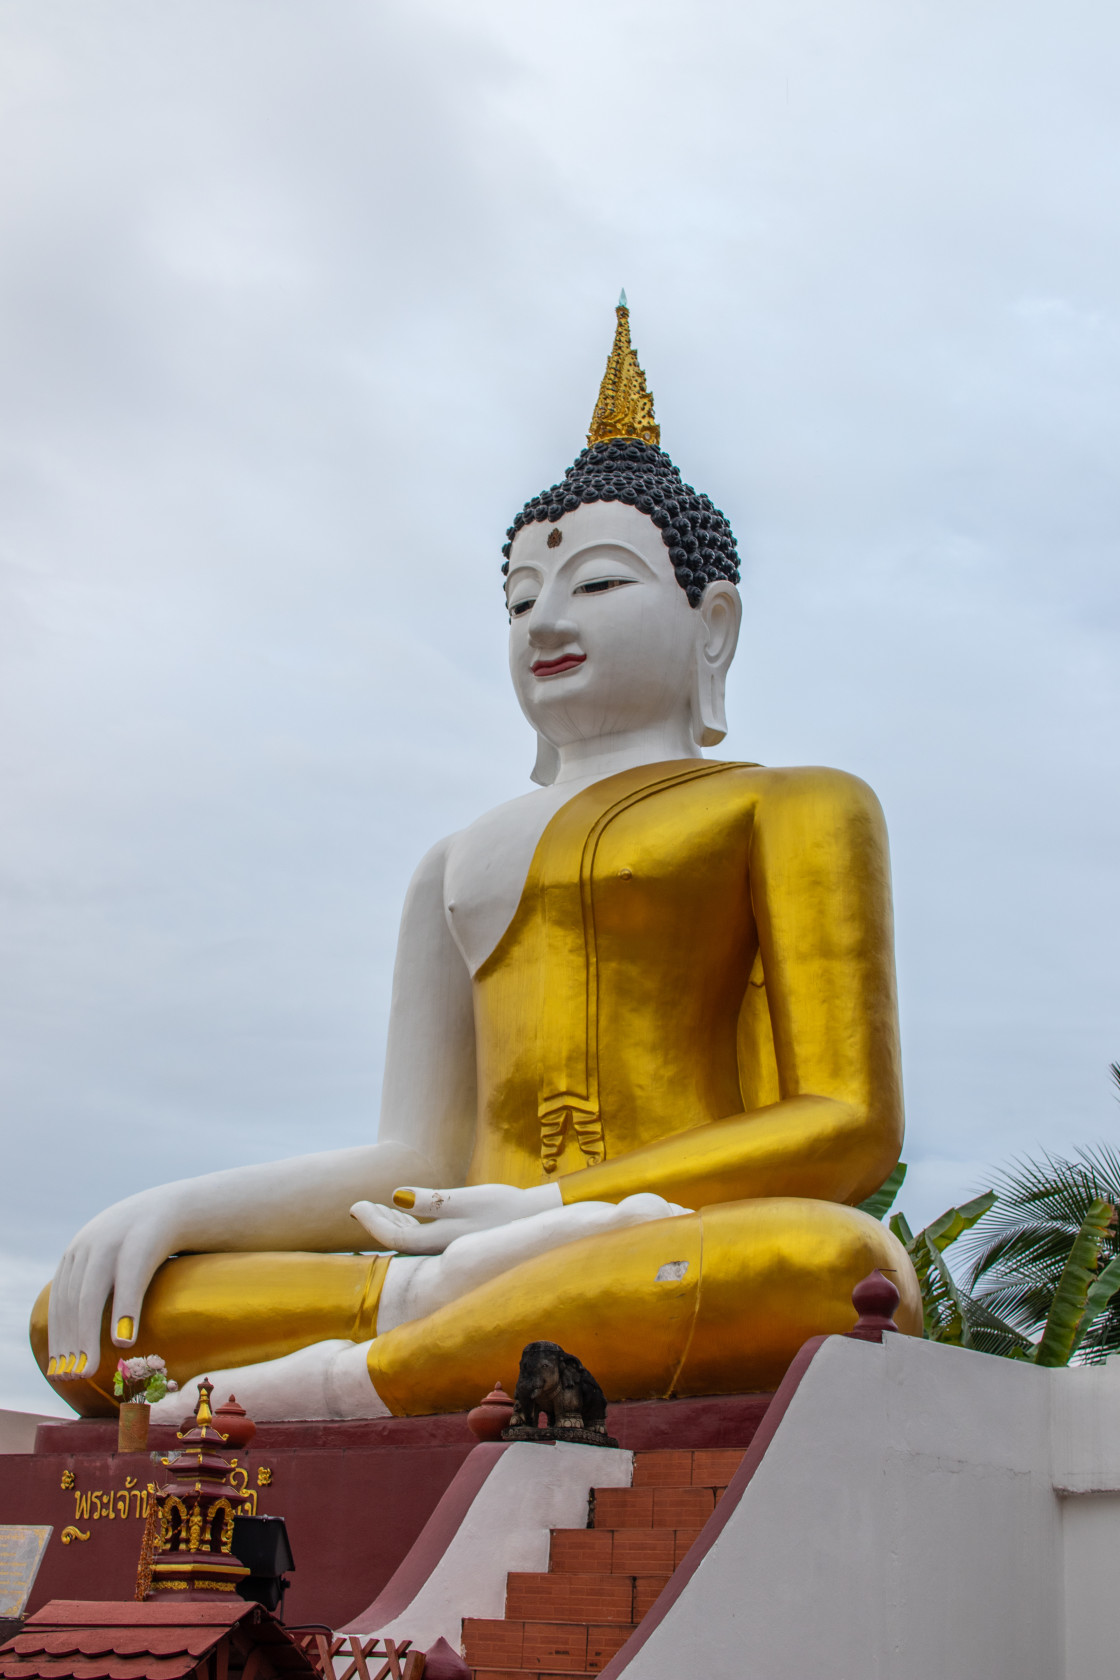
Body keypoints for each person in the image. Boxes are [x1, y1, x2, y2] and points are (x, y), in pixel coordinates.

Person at [33, 300, 919, 1420]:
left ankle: (351, 1384)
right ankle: (450, 1323)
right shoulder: (454, 860)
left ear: (714, 626)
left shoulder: (795, 807)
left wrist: (554, 1213)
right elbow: (413, 1155)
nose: (546, 618)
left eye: (596, 583)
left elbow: (848, 1124)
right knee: (87, 1316)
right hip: (457, 1257)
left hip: (646, 1240)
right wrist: (181, 1210)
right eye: (519, 597)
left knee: (822, 1261)